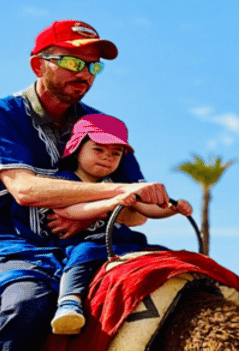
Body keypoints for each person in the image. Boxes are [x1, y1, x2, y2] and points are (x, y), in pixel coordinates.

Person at [0, 20, 181, 351]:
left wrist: (154, 199)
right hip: (16, 245)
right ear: (39, 64)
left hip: (94, 244)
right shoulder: (6, 116)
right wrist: (116, 194)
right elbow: (26, 190)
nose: (86, 73)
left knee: (177, 287)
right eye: (73, 61)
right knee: (25, 309)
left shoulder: (105, 126)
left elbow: (138, 207)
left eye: (93, 64)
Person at [49, 114, 192, 334]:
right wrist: (111, 203)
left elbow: (146, 208)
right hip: (84, 242)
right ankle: (69, 300)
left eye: (115, 154)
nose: (107, 157)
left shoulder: (119, 185)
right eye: (98, 150)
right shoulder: (65, 182)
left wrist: (172, 209)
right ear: (78, 149)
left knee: (162, 255)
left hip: (123, 242)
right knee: (84, 254)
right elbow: (68, 210)